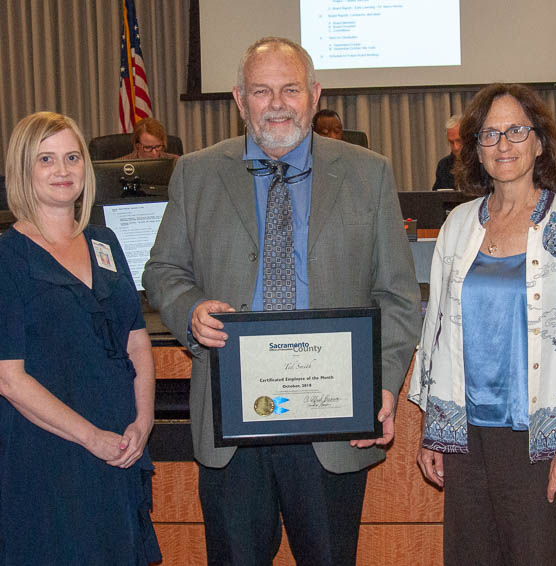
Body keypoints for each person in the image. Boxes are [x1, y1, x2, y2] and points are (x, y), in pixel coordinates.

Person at [143, 36, 420, 565]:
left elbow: (398, 297)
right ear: (239, 99)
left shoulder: (368, 172)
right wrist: (190, 310)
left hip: (333, 424)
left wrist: (381, 385)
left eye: (290, 89)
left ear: (314, 95)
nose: (276, 103)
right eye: (261, 90)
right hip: (231, 425)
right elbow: (164, 270)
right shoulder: (196, 173)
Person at [409, 83, 556, 565]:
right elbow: (436, 331)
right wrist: (435, 429)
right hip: (467, 437)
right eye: (490, 134)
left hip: (541, 440)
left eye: (516, 131)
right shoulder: (458, 223)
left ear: (539, 142)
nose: (503, 145)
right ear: (475, 149)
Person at [0, 112, 161, 565]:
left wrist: (143, 422)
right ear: (22, 171)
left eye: (72, 157)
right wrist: (92, 438)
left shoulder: (104, 242)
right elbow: (9, 379)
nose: (63, 170)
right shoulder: (7, 259)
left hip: (120, 444)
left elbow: (136, 340)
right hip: (48, 453)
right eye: (46, 159)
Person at [432, 114, 462, 190]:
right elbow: (436, 197)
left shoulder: (481, 163)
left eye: (459, 141)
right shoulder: (444, 165)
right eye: (451, 142)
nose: (455, 147)